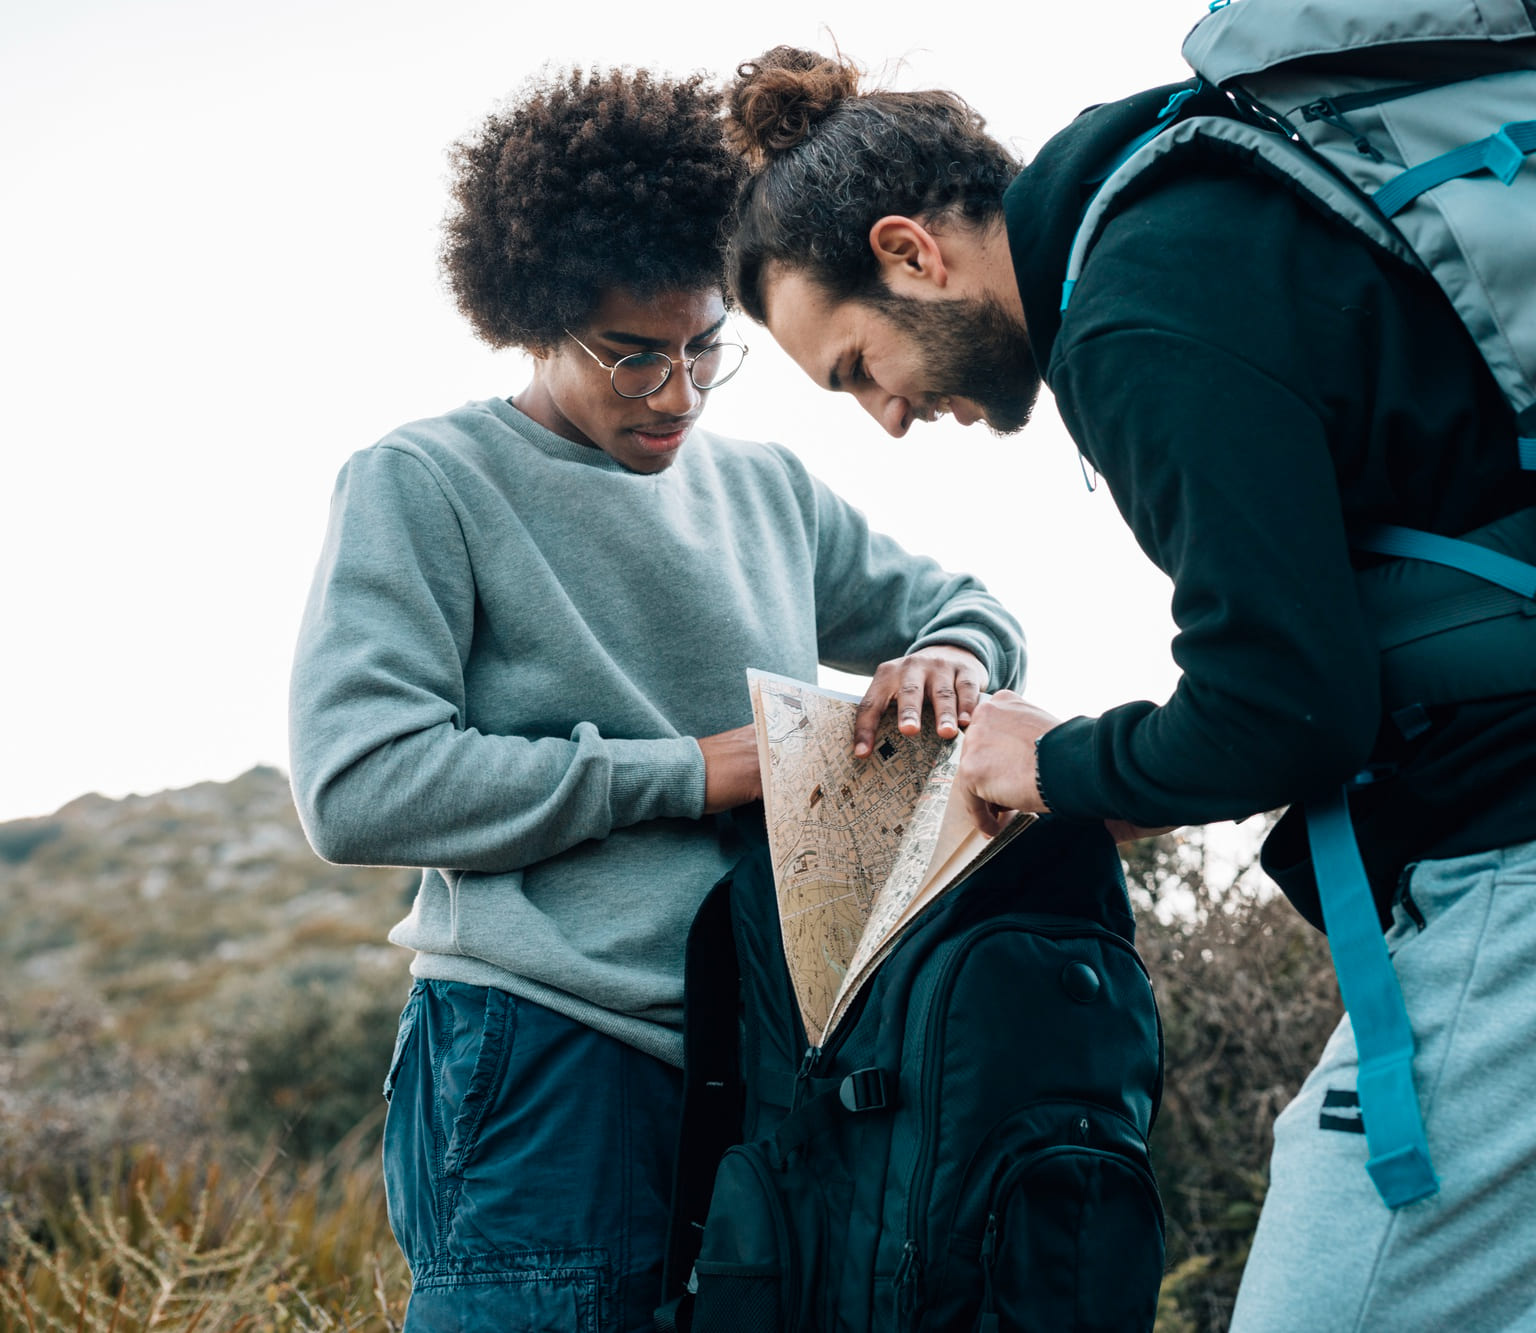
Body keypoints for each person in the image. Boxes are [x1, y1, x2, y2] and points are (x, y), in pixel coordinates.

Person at [719, 46, 1536, 1332]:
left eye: (852, 368)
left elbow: (1285, 706)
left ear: (908, 252)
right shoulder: (1218, 214)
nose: (885, 418)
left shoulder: (1136, 304)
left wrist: (1055, 762)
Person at [287, 66, 1023, 1333]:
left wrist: (949, 659)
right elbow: (357, 785)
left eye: (701, 350)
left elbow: (968, 605)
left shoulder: (768, 490)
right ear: (531, 316)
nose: (675, 394)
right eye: (630, 357)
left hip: (773, 1071)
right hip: (539, 1058)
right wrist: (691, 770)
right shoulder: (425, 482)